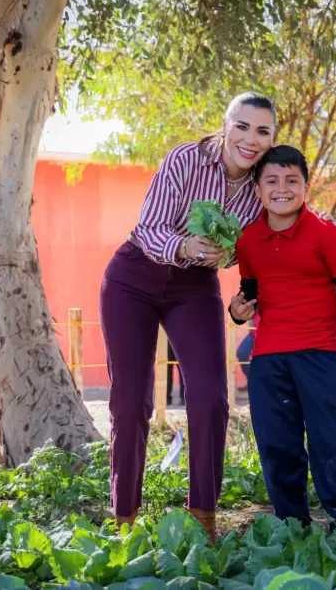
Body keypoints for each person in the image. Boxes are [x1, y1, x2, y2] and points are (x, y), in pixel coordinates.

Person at [99, 92, 277, 538]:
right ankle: (125, 519)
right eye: (242, 126)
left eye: (262, 131)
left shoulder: (262, 188)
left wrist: (242, 295)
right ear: (225, 124)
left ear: (272, 139)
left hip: (194, 288)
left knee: (212, 397)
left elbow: (254, 251)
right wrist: (186, 245)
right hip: (134, 276)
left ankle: (203, 517)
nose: (250, 140)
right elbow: (150, 225)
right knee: (131, 401)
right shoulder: (185, 160)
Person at [229, 145, 336, 526]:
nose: (282, 189)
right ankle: (293, 527)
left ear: (306, 187)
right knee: (277, 447)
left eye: (292, 180)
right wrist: (236, 313)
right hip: (268, 359)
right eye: (272, 180)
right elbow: (248, 295)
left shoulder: (329, 235)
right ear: (257, 188)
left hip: (322, 356)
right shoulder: (248, 239)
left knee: (330, 445)